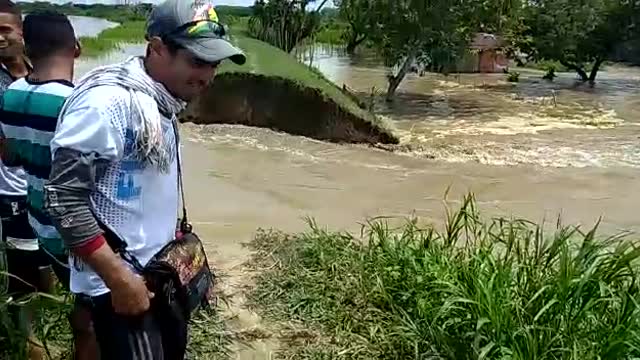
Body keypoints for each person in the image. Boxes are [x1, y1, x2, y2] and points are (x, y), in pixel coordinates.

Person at [43, 0, 245, 358]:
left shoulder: (160, 102)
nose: (207, 75)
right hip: (120, 285)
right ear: (157, 48)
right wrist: (119, 280)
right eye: (196, 61)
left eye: (213, 63)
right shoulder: (107, 104)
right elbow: (63, 199)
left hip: (158, 275)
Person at [0, 10, 99, 360]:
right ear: (76, 48)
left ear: (27, 47)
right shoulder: (74, 103)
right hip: (75, 231)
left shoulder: (11, 93)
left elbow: (10, 157)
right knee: (92, 317)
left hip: (38, 218)